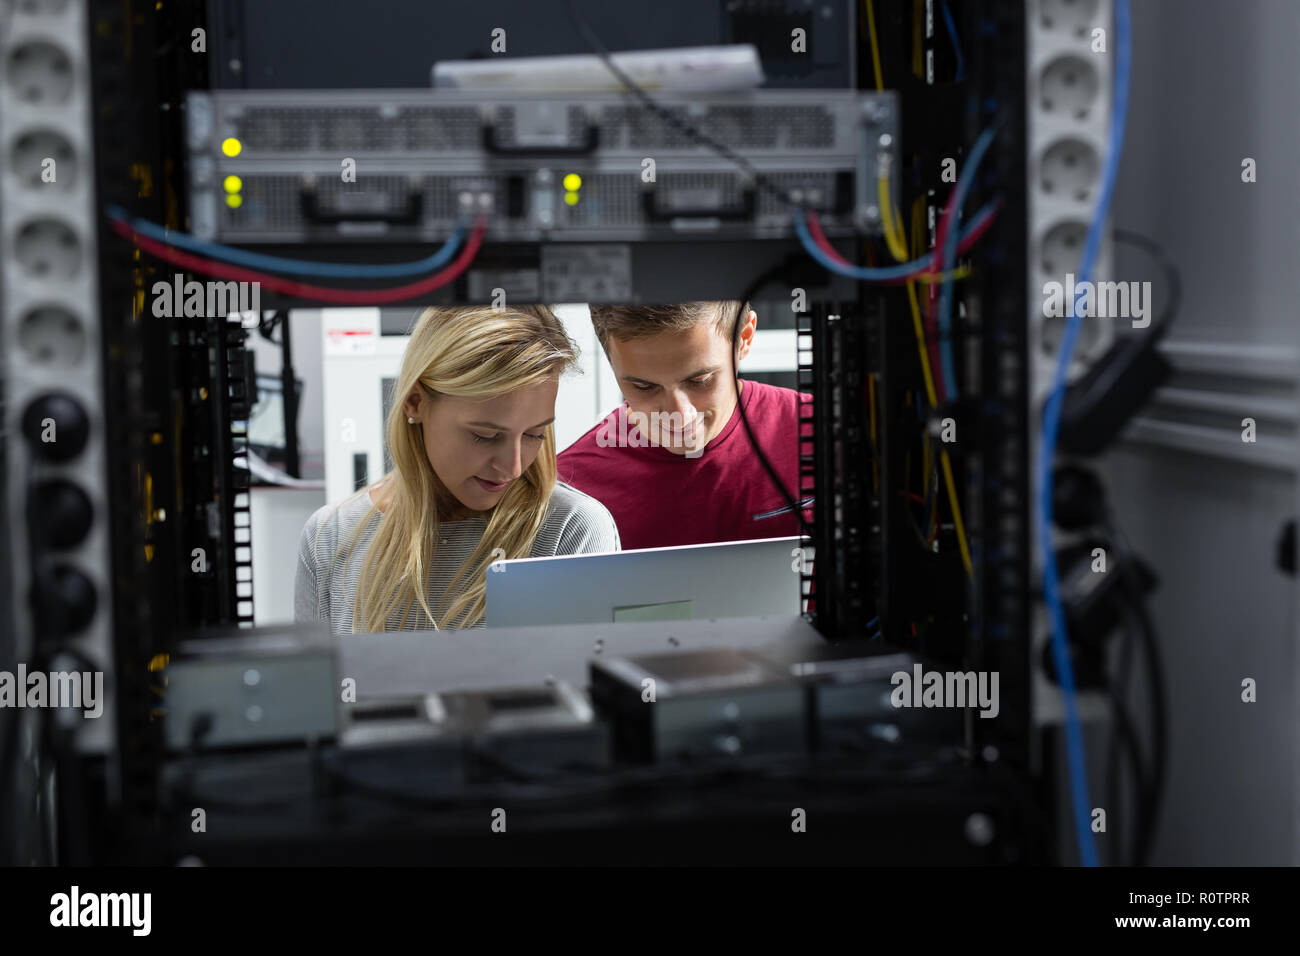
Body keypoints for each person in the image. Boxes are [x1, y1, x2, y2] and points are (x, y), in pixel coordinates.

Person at [295, 304, 619, 633]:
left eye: (534, 434)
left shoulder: (571, 531)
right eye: (486, 436)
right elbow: (313, 684)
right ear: (415, 402)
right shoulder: (330, 536)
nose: (513, 466)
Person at [557, 301, 812, 550]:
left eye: (700, 380)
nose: (679, 414)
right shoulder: (568, 490)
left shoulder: (825, 432)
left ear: (744, 337)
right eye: (644, 387)